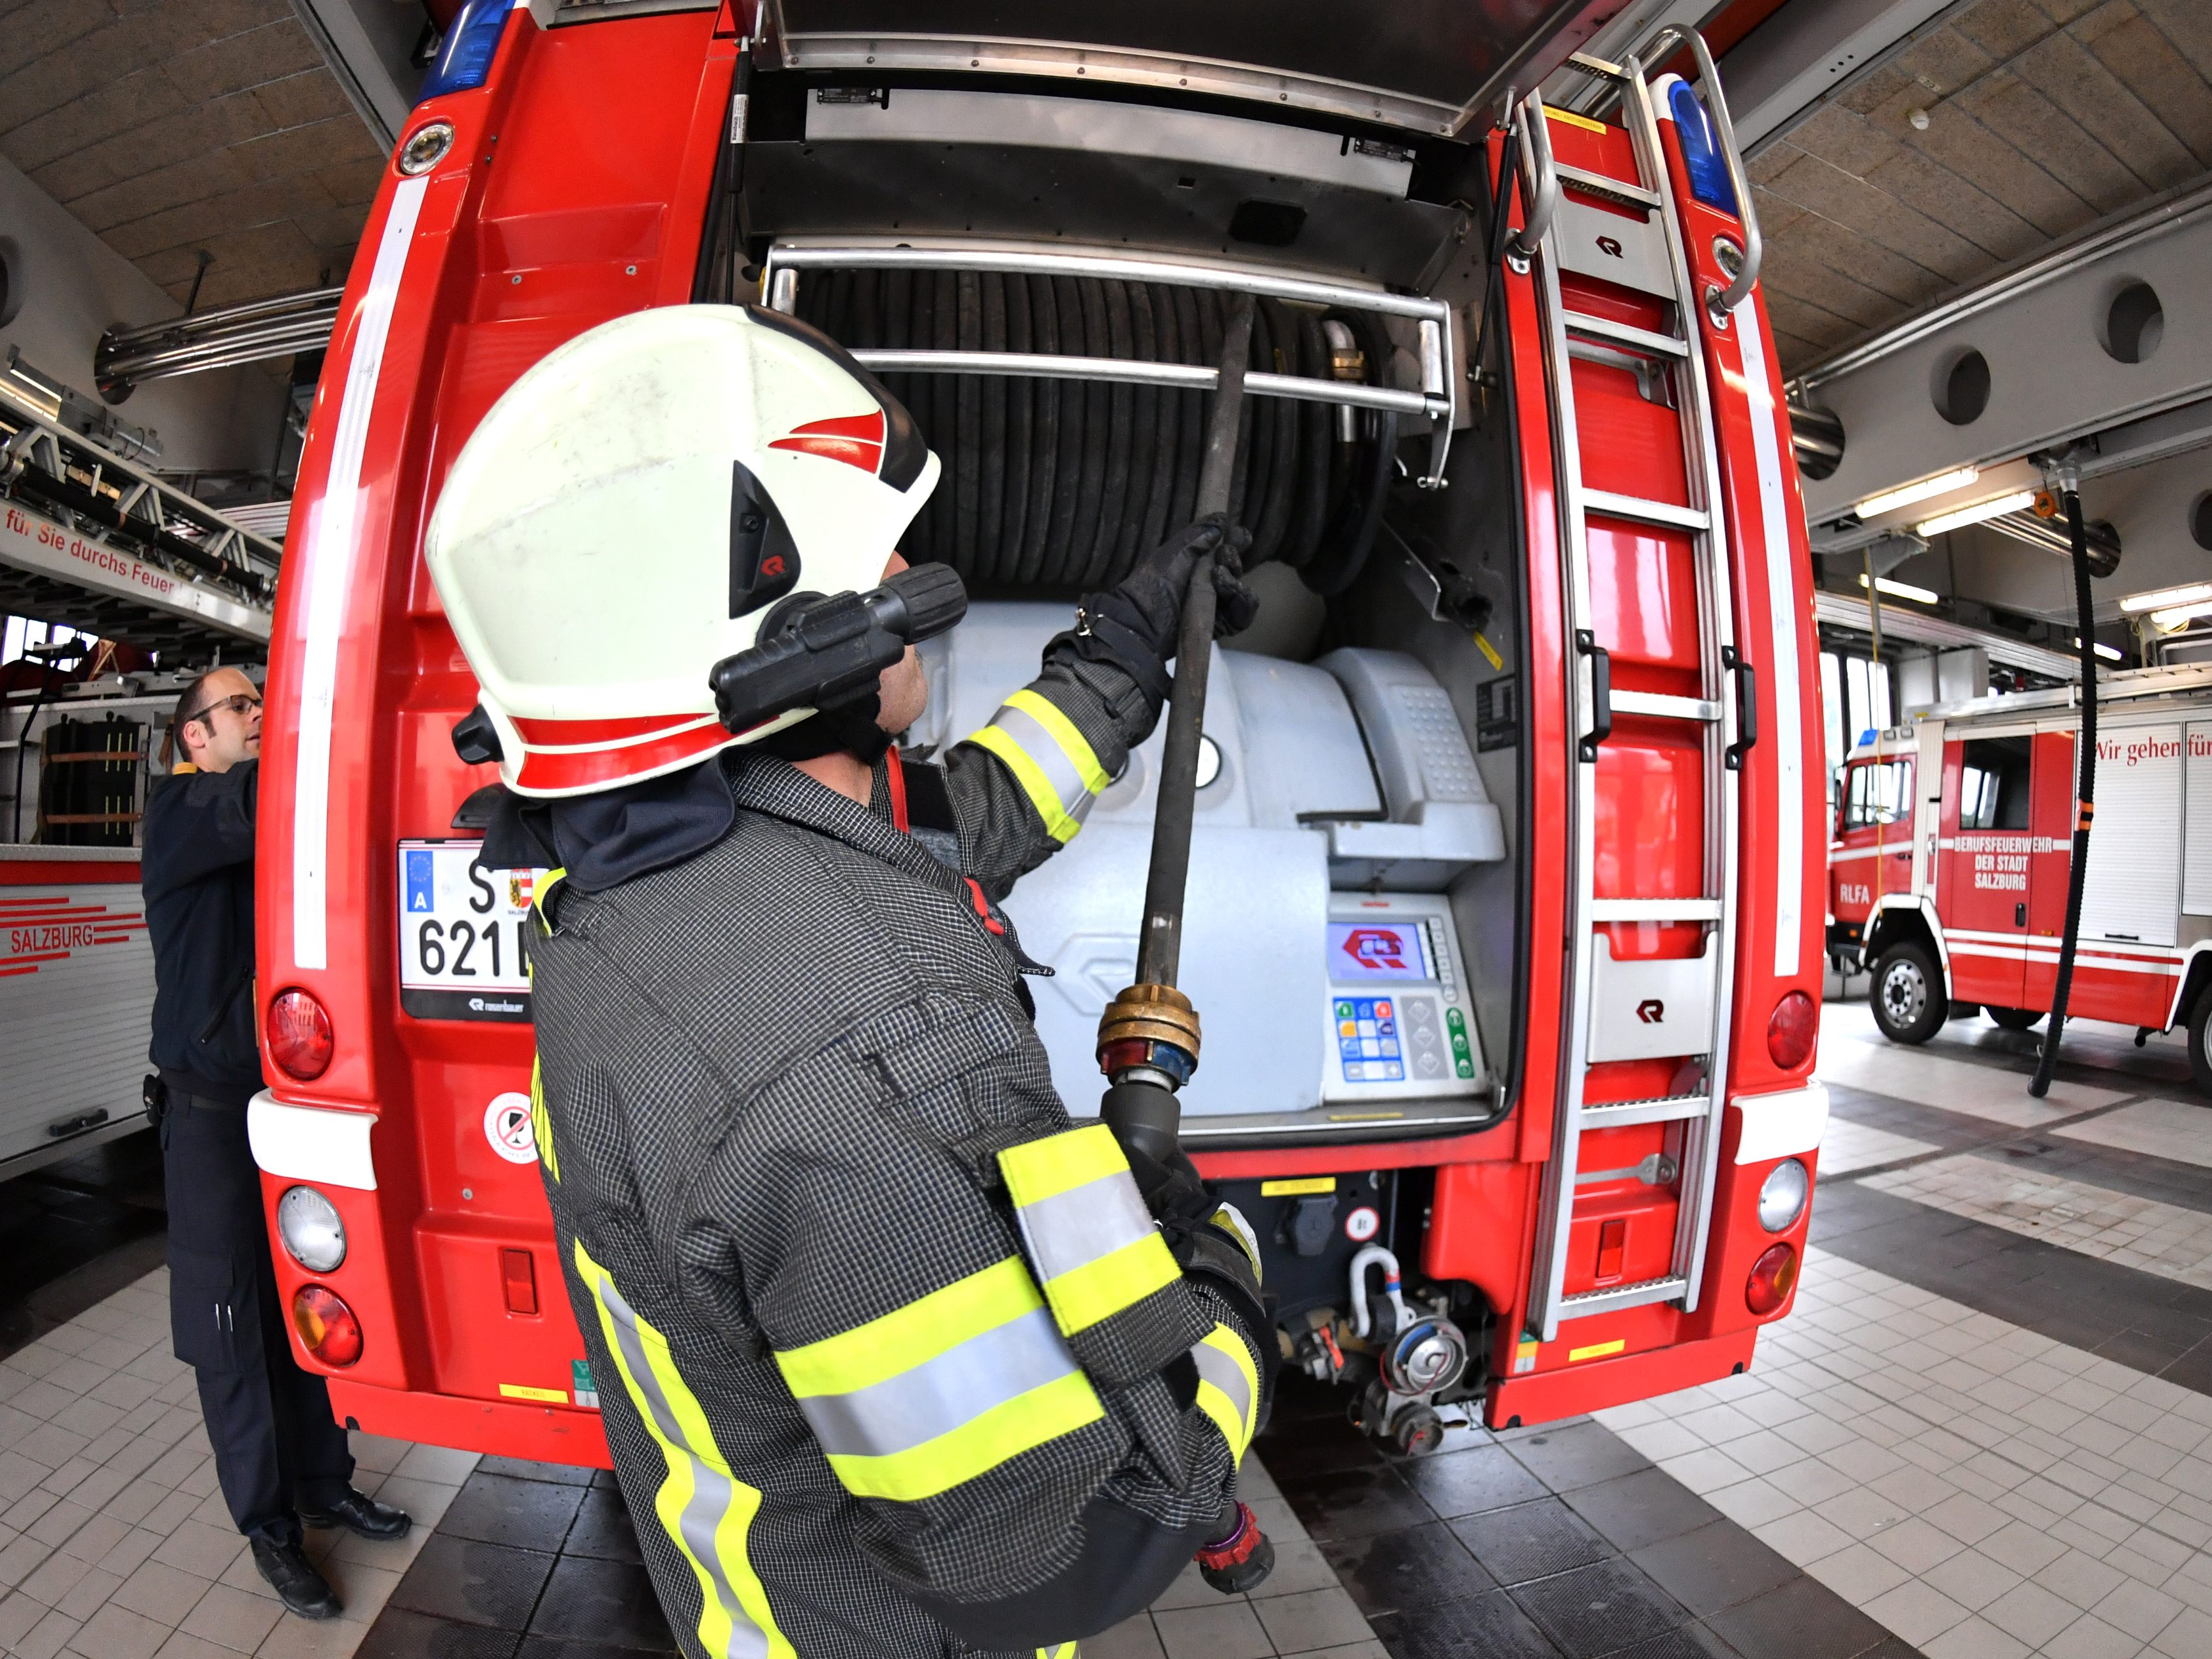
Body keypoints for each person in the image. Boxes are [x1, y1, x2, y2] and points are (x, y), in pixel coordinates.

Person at [426, 304, 1273, 1658]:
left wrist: (1132, 639)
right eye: (871, 553)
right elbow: (1098, 1518)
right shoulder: (867, 1050)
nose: (904, 574)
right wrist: (1204, 1258)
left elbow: (976, 813)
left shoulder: (643, 879)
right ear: (793, 637)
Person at [142, 666, 410, 1619]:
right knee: (231, 1328)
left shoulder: (255, 822)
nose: (258, 715)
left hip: (286, 1109)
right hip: (212, 1119)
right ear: (195, 740)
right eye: (239, 708)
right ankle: (269, 1527)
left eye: (263, 700)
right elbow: (279, 796)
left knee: (309, 1301)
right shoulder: (183, 813)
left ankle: (324, 1481)